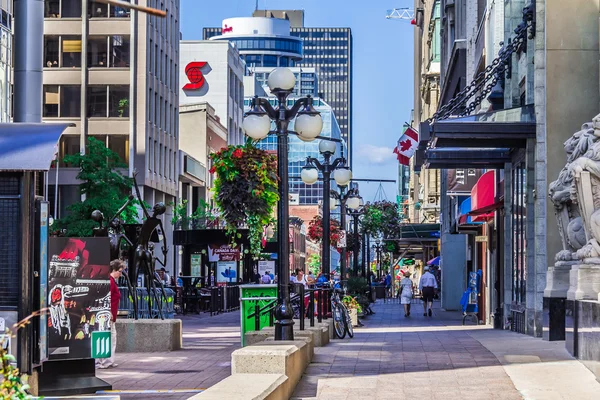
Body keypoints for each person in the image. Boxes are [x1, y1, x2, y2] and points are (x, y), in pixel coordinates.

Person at [97, 259, 124, 369]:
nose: (121, 274)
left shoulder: (111, 281)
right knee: (108, 336)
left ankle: (108, 360)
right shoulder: (110, 281)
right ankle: (103, 361)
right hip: (108, 315)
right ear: (114, 270)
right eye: (120, 271)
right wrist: (109, 311)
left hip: (109, 314)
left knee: (111, 337)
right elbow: (105, 297)